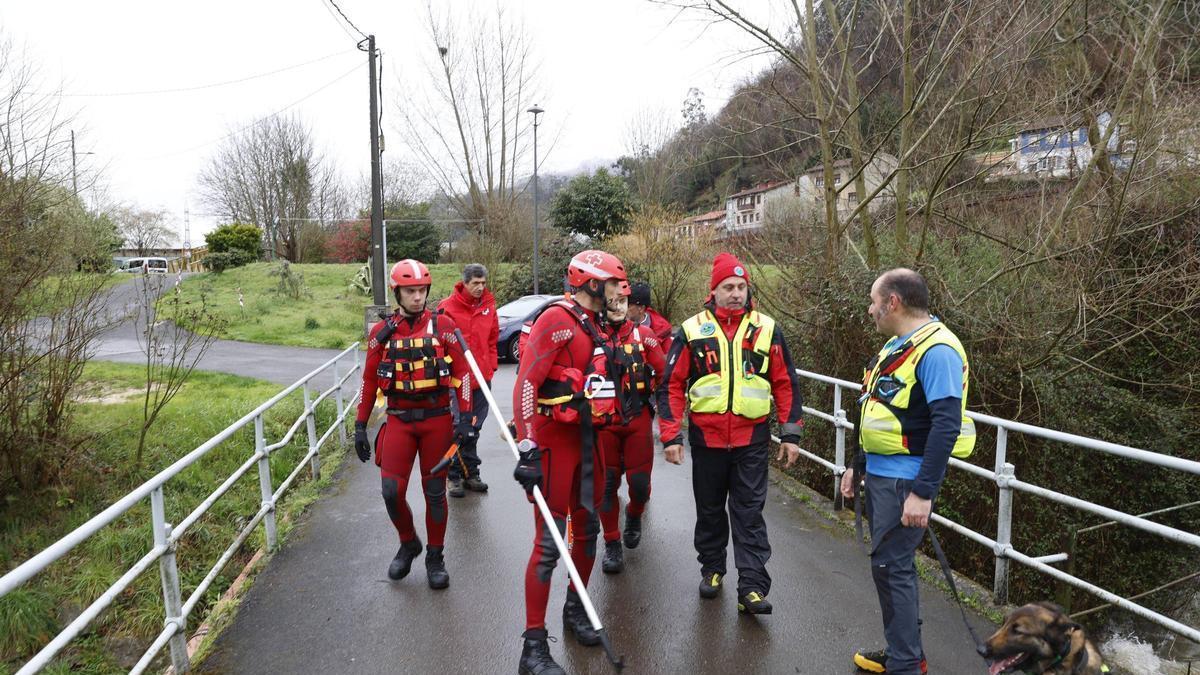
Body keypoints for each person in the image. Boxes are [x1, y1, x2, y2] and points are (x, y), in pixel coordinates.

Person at [840, 268, 975, 675]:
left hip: (906, 480)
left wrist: (923, 492)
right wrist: (856, 466)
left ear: (892, 302)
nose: (870, 309)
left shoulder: (938, 351)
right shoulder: (899, 345)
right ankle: (905, 653)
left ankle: (905, 664)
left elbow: (946, 424)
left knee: (892, 567)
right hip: (884, 475)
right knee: (889, 567)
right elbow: (875, 411)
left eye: (872, 300)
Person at [658, 252, 804, 615]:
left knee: (749, 513)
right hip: (706, 441)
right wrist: (671, 436)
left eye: (741, 286)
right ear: (714, 290)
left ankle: (752, 587)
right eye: (728, 287)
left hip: (751, 440)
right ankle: (712, 570)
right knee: (709, 510)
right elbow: (671, 386)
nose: (736, 293)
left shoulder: (767, 329)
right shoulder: (692, 330)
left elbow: (785, 382)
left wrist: (790, 434)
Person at [511, 250, 629, 675]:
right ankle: (533, 647)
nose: (621, 290)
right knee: (548, 543)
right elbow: (527, 382)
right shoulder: (557, 319)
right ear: (593, 283)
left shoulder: (599, 324)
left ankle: (575, 609)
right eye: (615, 282)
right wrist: (526, 446)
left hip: (588, 441)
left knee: (589, 529)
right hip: (554, 443)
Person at [353, 259, 476, 590]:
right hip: (399, 420)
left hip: (437, 419)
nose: (418, 297)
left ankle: (435, 557)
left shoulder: (445, 326)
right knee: (391, 491)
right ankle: (409, 543)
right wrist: (360, 425)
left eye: (422, 290)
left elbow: (463, 374)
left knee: (435, 492)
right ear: (398, 292)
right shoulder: (381, 334)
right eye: (410, 291)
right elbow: (368, 382)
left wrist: (466, 419)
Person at [597, 281, 666, 574]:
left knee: (639, 486)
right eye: (612, 300)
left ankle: (634, 514)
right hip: (604, 422)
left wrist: (669, 421)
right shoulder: (591, 336)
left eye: (623, 301)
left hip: (637, 418)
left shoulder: (646, 337)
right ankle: (612, 541)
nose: (618, 306)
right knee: (608, 484)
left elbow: (666, 378)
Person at [437, 263, 499, 497]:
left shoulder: (489, 307)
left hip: (482, 380)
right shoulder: (447, 308)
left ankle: (471, 473)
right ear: (464, 283)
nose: (480, 288)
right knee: (457, 427)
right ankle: (453, 476)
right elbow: (438, 343)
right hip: (456, 382)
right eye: (475, 283)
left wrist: (490, 367)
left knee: (474, 428)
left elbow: (493, 339)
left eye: (483, 283)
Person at [626, 281, 673, 351]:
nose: (623, 308)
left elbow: (667, 359)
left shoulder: (661, 332)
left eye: (628, 305)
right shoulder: (618, 326)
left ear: (641, 308)